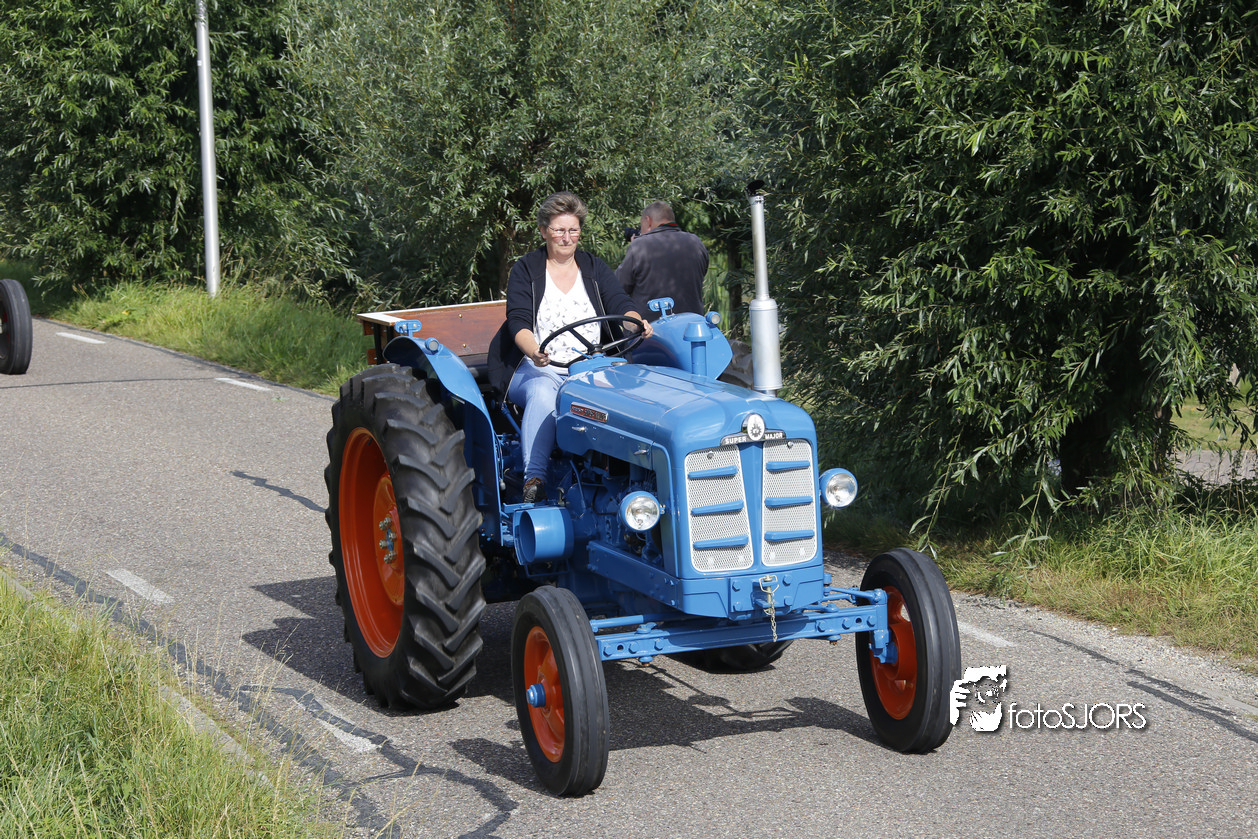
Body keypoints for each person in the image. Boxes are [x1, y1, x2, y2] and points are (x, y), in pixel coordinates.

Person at [493, 191, 652, 503]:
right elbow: (518, 320)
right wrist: (534, 350)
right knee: (543, 391)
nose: (567, 238)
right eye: (559, 230)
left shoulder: (593, 267)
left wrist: (636, 322)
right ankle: (534, 480)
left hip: (591, 367)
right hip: (538, 367)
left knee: (631, 393)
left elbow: (620, 302)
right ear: (543, 231)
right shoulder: (526, 269)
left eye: (573, 230)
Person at [616, 200, 709, 321]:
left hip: (651, 328)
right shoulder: (696, 242)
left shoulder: (639, 246)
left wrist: (635, 248)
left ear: (648, 221)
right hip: (692, 324)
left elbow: (619, 286)